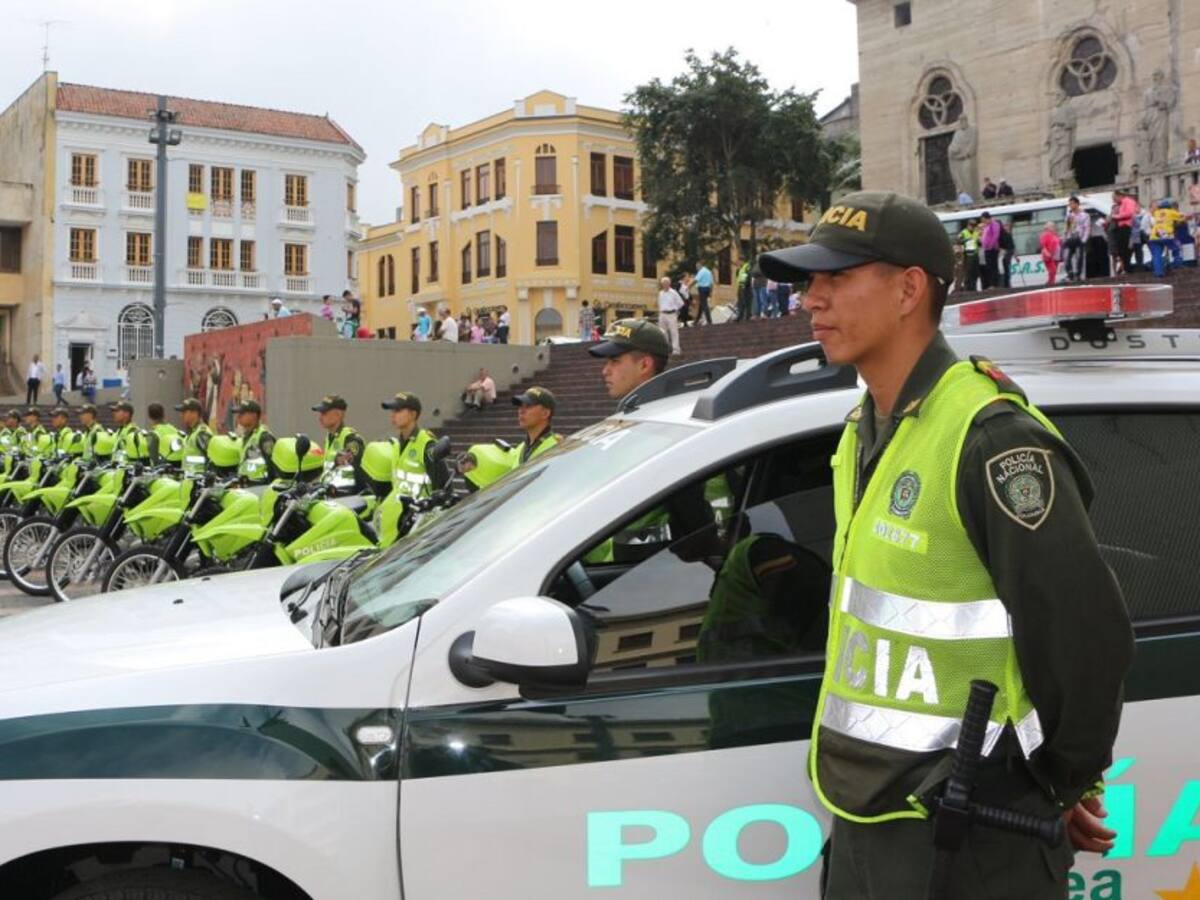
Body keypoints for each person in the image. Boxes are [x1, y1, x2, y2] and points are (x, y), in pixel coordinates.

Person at [758, 189, 1133, 899]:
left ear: (908, 289)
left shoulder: (990, 438)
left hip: (974, 829)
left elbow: (1083, 633)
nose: (811, 298)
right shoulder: (865, 425)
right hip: (868, 810)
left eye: (835, 278)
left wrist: (1061, 780)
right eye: (810, 281)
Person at [381, 391, 449, 498]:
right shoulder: (397, 444)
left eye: (398, 410)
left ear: (413, 414)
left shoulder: (427, 444)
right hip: (400, 512)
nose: (393, 415)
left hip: (423, 513)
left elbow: (444, 489)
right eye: (392, 410)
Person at [587, 318, 670, 401]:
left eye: (615, 361)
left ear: (644, 365)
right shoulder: (664, 408)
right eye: (607, 362)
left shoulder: (662, 412)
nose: (605, 371)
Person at [311, 394, 364, 492]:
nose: (320, 417)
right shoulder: (329, 438)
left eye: (324, 413)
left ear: (339, 414)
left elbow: (358, 475)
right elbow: (329, 471)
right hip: (330, 496)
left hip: (345, 498)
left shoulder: (350, 439)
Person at [511, 387, 561, 464]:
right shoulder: (520, 448)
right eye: (520, 406)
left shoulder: (557, 448)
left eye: (528, 406)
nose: (521, 411)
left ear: (545, 413)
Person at [235, 399, 275, 483]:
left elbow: (272, 465)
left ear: (254, 415)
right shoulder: (247, 436)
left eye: (242, 414)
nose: (238, 417)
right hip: (247, 487)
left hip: (260, 487)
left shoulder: (264, 437)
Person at [173, 398, 213, 475]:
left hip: (198, 480)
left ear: (195, 413)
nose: (181, 415)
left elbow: (211, 458)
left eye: (184, 412)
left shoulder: (202, 433)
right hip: (190, 479)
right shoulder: (193, 432)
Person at [1148, 200, 1186, 278]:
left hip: (1154, 237)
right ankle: (1177, 263)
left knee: (1156, 255)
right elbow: (1182, 217)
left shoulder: (1156, 213)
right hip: (1166, 235)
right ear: (1169, 207)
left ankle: (1159, 273)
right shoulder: (1170, 212)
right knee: (1177, 246)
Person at [108, 400, 148, 465]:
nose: (114, 413)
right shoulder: (120, 430)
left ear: (127, 414)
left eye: (117, 411)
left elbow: (135, 458)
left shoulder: (132, 432)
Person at [1064, 196, 1091, 282]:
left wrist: (1084, 240)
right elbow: (1067, 228)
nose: (1070, 205)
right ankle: (1070, 274)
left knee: (1079, 257)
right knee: (1066, 257)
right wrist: (1065, 237)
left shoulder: (1085, 215)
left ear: (1077, 204)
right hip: (1070, 238)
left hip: (1079, 238)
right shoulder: (1069, 215)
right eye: (1069, 204)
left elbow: (1087, 228)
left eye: (1072, 203)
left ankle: (1078, 275)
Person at [1113, 189, 1139, 274]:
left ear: (1119, 195)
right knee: (1121, 249)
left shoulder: (1128, 201)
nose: (1114, 200)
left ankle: (1128, 268)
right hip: (1123, 227)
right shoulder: (1122, 203)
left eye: (1115, 197)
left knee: (1126, 248)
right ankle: (1126, 268)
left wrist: (1116, 216)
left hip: (1127, 227)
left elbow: (1129, 213)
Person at [657, 276, 684, 355]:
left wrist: (675, 309)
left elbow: (681, 303)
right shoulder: (660, 293)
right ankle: (665, 349)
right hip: (662, 314)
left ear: (669, 283)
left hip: (671, 314)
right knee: (663, 333)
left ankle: (676, 350)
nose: (665, 285)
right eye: (663, 283)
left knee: (674, 332)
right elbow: (660, 303)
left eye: (666, 283)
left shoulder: (673, 292)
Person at [979, 212, 1001, 289]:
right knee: (989, 267)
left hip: (992, 249)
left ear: (986, 218)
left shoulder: (994, 224)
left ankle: (995, 284)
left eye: (983, 219)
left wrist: (990, 246)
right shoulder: (987, 226)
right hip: (987, 249)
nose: (983, 221)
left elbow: (995, 236)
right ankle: (991, 284)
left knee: (993, 266)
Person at [958, 219, 980, 291]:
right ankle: (967, 289)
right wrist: (966, 240)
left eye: (974, 226)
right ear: (968, 225)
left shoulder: (976, 233)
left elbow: (979, 243)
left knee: (975, 273)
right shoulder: (963, 232)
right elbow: (958, 241)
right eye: (971, 226)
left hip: (975, 255)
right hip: (967, 255)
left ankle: (974, 288)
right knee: (968, 273)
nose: (972, 227)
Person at [1040, 221, 1062, 285]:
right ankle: (1050, 283)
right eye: (1052, 226)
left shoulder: (1054, 234)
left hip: (1055, 256)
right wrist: (1047, 253)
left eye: (1054, 226)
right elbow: (1043, 246)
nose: (1053, 227)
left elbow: (1057, 242)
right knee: (1053, 270)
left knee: (1053, 271)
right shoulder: (1045, 235)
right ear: (1047, 227)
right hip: (1049, 256)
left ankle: (1052, 282)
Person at [999, 221, 1016, 288]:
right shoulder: (1004, 235)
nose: (1006, 228)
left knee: (1007, 268)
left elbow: (1012, 246)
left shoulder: (1009, 235)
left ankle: (1008, 283)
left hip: (1008, 254)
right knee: (1006, 268)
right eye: (1005, 226)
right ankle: (1006, 284)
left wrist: (1015, 256)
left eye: (1008, 226)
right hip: (1006, 254)